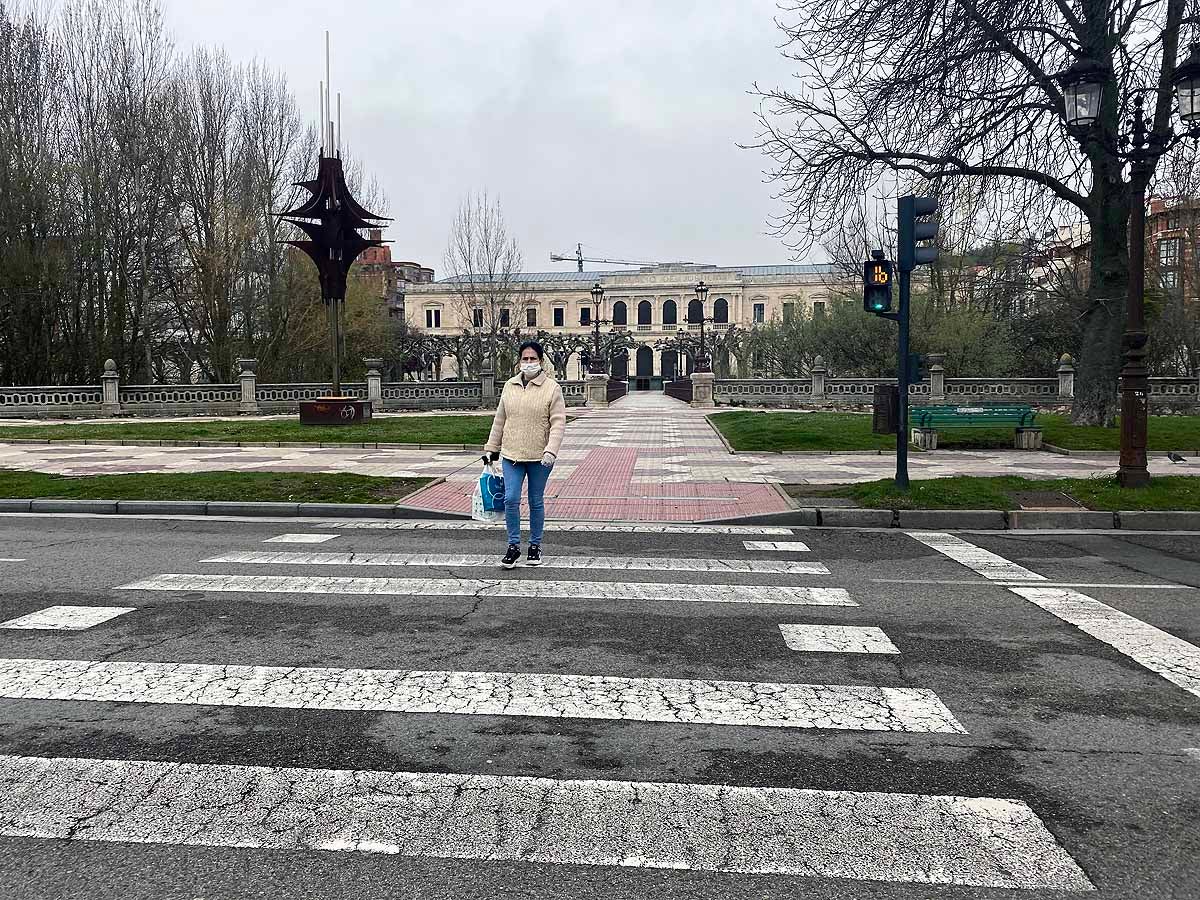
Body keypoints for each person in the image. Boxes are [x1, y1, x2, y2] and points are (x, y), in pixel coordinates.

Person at [482, 340, 566, 569]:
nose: (528, 363)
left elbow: (558, 422)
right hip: (512, 454)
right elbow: (500, 419)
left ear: (540, 361)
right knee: (510, 499)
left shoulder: (551, 388)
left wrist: (551, 450)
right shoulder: (510, 386)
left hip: (540, 457)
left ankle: (535, 545)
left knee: (535, 501)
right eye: (524, 359)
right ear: (519, 361)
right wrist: (491, 448)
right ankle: (513, 545)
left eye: (533, 359)